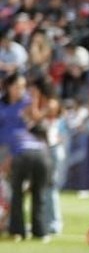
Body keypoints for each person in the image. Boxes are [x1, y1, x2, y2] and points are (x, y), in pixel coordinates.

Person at [0, 74, 53, 240]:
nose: (21, 90)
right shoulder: (1, 103)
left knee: (21, 190)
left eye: (23, 86)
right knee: (8, 190)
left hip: (22, 150)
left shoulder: (28, 102)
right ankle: (10, 224)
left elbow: (38, 118)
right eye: (17, 86)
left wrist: (36, 102)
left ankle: (20, 228)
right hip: (5, 148)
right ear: (8, 86)